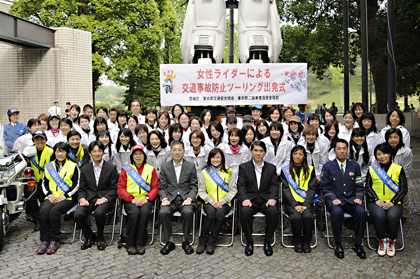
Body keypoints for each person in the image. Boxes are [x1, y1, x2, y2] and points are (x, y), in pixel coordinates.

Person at [320, 139, 367, 259]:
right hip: (335, 200)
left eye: (344, 148)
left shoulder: (355, 165)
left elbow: (359, 185)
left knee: (361, 212)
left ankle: (358, 243)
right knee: (336, 213)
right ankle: (338, 243)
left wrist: (359, 197)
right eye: (339, 148)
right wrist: (332, 198)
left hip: (351, 200)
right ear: (334, 151)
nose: (342, 151)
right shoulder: (328, 166)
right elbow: (325, 186)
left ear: (347, 150)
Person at [74, 141, 118, 251]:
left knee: (99, 213)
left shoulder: (111, 168)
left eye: (100, 151)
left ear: (103, 152)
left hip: (105, 198)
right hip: (89, 198)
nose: (97, 153)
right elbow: (82, 189)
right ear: (90, 153)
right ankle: (89, 236)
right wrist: (82, 199)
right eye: (94, 151)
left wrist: (104, 199)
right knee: (78, 214)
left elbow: (114, 188)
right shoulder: (85, 169)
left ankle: (100, 237)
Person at [37, 142, 80, 254]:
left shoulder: (73, 166)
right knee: (43, 210)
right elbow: (44, 183)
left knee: (54, 212)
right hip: (51, 197)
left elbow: (76, 185)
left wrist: (64, 196)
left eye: (62, 151)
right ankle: (45, 240)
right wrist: (49, 196)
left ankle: (54, 240)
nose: (59, 154)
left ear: (67, 152)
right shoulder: (49, 166)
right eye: (57, 151)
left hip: (66, 199)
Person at [365, 143, 407, 257]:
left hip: (394, 203)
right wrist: (376, 199)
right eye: (379, 154)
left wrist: (392, 202)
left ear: (390, 154)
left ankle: (391, 241)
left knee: (392, 216)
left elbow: (403, 189)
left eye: (385, 153)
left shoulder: (398, 169)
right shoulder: (373, 169)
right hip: (376, 202)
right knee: (379, 215)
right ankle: (382, 241)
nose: (382, 156)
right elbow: (367, 187)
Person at [238, 141, 279, 256]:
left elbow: (274, 186)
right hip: (250, 201)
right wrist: (245, 199)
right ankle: (249, 241)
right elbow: (241, 185)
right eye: (255, 150)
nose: (258, 153)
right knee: (245, 212)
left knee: (273, 211)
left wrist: (272, 199)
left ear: (265, 153)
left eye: (261, 151)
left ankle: (267, 241)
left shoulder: (271, 168)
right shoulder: (244, 167)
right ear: (251, 151)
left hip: (266, 200)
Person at [117, 145, 159, 255]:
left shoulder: (151, 169)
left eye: (140, 154)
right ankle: (130, 243)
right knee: (134, 213)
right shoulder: (126, 169)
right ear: (132, 156)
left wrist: (147, 198)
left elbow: (155, 187)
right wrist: (131, 199)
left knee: (145, 212)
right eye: (135, 154)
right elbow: (120, 188)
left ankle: (140, 242)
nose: (138, 156)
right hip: (131, 200)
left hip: (146, 200)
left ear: (144, 156)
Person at [159, 140, 198, 255]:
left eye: (179, 150)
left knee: (188, 212)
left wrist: (189, 199)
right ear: (170, 152)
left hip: (185, 198)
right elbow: (162, 187)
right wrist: (164, 199)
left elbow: (194, 186)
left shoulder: (190, 166)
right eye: (174, 150)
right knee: (163, 212)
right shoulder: (165, 166)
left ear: (184, 151)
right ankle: (169, 241)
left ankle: (186, 240)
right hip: (170, 199)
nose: (177, 153)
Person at [196, 148, 238, 254]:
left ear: (222, 158)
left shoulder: (228, 171)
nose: (215, 159)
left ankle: (212, 242)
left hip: (225, 202)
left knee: (219, 215)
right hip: (210, 202)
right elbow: (201, 191)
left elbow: (233, 190)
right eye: (213, 157)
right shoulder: (205, 172)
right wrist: (211, 201)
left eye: (218, 157)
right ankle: (202, 241)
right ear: (210, 159)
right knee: (210, 214)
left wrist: (222, 201)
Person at [281, 145, 316, 253]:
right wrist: (295, 204)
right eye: (295, 154)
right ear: (291, 155)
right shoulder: (285, 170)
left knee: (308, 217)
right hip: (291, 203)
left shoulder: (310, 169)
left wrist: (305, 204)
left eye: (300, 154)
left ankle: (306, 242)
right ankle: (297, 242)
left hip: (306, 202)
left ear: (304, 156)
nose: (297, 156)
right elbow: (285, 189)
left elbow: (312, 188)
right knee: (296, 217)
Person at [27, 130, 54, 231]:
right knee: (32, 199)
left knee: (45, 200)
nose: (39, 141)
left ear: (46, 140)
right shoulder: (29, 151)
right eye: (36, 139)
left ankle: (47, 219)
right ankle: (37, 221)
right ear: (33, 140)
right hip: (33, 181)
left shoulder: (51, 151)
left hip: (47, 181)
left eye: (41, 139)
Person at [384, 128, 413, 220]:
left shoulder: (406, 151)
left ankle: (403, 215)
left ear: (400, 138)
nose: (393, 140)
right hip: (386, 178)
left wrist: (401, 180)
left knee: (403, 195)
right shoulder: (383, 150)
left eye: (395, 137)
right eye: (390, 137)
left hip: (401, 177)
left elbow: (407, 168)